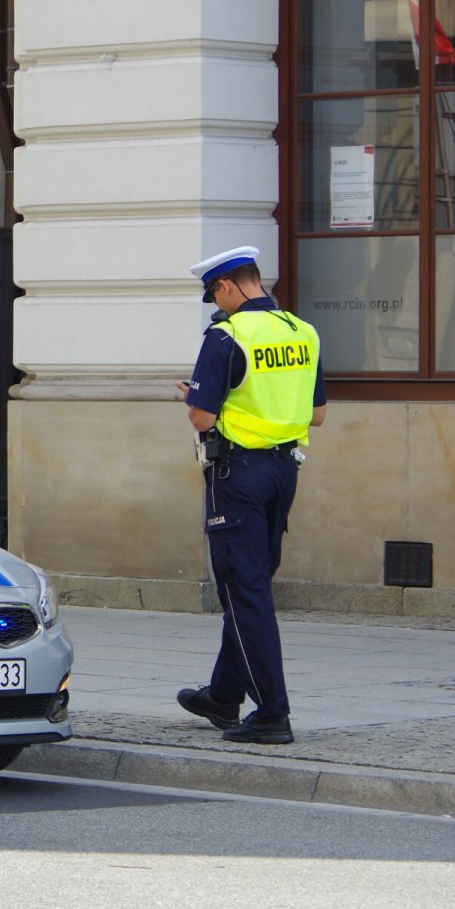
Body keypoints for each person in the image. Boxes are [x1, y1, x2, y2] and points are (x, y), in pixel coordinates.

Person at [173, 246, 326, 745]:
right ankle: (223, 693)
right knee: (251, 586)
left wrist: (198, 397)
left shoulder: (226, 335)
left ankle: (271, 713)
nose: (218, 304)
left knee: (245, 591)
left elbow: (202, 417)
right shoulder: (302, 332)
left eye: (216, 294)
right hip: (284, 470)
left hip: (237, 475)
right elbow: (317, 413)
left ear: (229, 287)